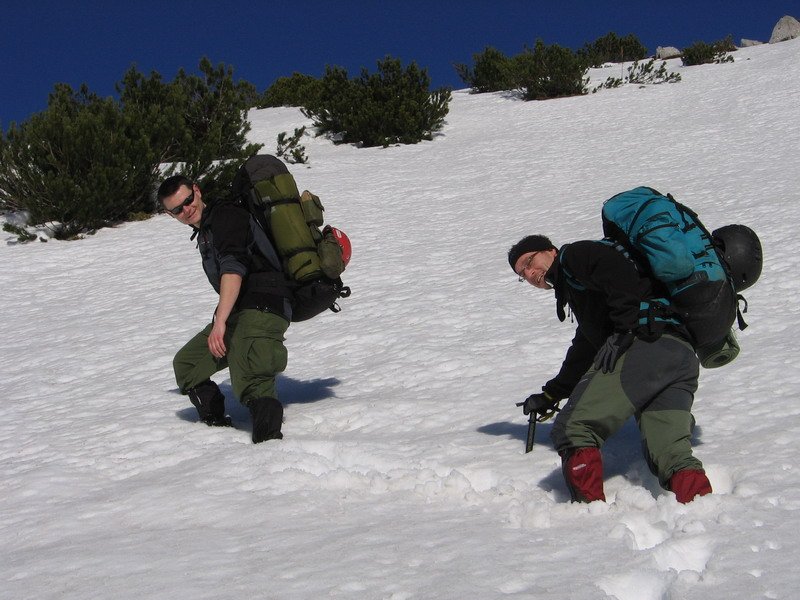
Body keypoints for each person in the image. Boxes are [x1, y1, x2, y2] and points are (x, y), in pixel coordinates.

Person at [508, 234, 712, 503]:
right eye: (523, 273)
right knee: (669, 451)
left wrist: (626, 329)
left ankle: (589, 515)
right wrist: (551, 394)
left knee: (574, 427)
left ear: (551, 251)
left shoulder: (576, 256)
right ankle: (705, 510)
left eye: (530, 261)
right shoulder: (582, 291)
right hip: (679, 355)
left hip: (645, 346)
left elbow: (611, 266)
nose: (531, 273)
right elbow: (585, 350)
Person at [157, 175, 292, 443]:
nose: (186, 209)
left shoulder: (226, 216)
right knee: (187, 365)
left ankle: (269, 447)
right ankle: (215, 431)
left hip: (267, 303)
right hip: (241, 308)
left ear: (197, 190)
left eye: (188, 200)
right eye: (177, 209)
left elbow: (233, 268)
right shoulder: (206, 230)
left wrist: (220, 323)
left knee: (250, 375)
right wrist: (222, 320)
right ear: (169, 214)